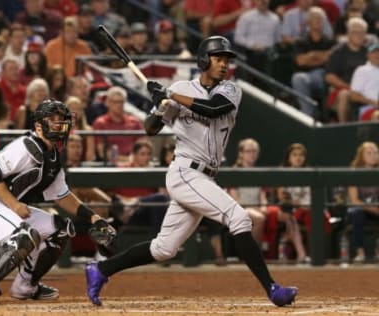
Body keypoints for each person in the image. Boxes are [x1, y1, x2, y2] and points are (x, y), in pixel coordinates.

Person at [84, 36, 298, 308]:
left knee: (164, 249)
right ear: (203, 60)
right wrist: (160, 106)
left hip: (204, 176)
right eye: (218, 58)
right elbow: (150, 129)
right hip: (185, 171)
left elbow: (212, 109)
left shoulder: (231, 90)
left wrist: (170, 95)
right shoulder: (181, 87)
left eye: (226, 60)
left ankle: (100, 270)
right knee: (239, 218)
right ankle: (272, 288)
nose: (224, 64)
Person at [0, 99, 116, 304]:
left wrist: (95, 218)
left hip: (8, 207)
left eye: (62, 120)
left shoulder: (52, 156)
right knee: (24, 235)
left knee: (61, 229)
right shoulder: (25, 146)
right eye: (53, 120)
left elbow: (63, 196)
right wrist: (14, 205)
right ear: (38, 125)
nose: (59, 125)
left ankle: (25, 286)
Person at [347, 141, 379, 263]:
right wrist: (372, 209)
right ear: (362, 156)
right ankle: (360, 253)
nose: (373, 155)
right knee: (357, 214)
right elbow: (355, 200)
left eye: (376, 152)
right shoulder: (354, 173)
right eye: (369, 153)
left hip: (376, 208)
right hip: (360, 208)